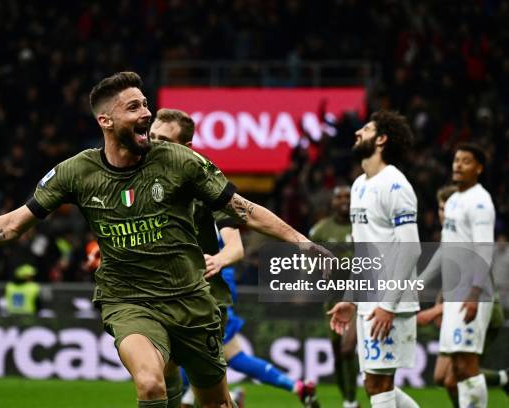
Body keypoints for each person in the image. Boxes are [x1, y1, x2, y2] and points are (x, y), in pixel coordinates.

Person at [0, 72, 329, 408]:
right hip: (128, 300)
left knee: (215, 403)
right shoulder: (77, 171)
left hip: (191, 301)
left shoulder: (181, 162)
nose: (146, 112)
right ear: (105, 121)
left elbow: (243, 209)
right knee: (149, 385)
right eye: (134, 107)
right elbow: (15, 222)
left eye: (146, 104)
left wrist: (300, 241)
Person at [150, 108, 318, 407]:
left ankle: (280, 389)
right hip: (163, 289)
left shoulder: (204, 184)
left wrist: (220, 259)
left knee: (197, 372)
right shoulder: (141, 178)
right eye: (151, 137)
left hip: (206, 289)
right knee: (166, 375)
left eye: (163, 140)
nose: (153, 144)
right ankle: (290, 388)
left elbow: (236, 244)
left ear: (185, 148)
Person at [328, 110, 421, 408]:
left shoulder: (396, 185)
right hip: (369, 299)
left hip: (390, 300)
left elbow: (411, 249)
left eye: (365, 129)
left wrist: (387, 305)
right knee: (373, 384)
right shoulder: (358, 185)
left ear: (381, 139)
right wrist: (351, 298)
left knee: (379, 384)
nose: (357, 133)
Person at [417, 184, 508, 407]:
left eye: (447, 208)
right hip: (456, 311)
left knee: (456, 376)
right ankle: (503, 379)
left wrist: (436, 310)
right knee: (442, 377)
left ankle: (505, 378)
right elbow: (435, 270)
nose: (443, 213)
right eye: (439, 208)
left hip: (483, 311)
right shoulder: (448, 239)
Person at [433, 144, 497, 408]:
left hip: (472, 293)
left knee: (467, 362)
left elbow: (485, 249)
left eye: (466, 161)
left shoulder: (480, 202)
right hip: (454, 294)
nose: (458, 165)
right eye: (456, 160)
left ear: (479, 168)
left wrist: (474, 294)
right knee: (456, 368)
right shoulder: (455, 200)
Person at [309, 185, 359, 408]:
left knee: (349, 349)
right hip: (332, 296)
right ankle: (348, 399)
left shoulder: (362, 226)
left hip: (359, 295)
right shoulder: (320, 230)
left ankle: (352, 399)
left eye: (347, 196)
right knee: (338, 352)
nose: (343, 200)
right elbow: (309, 262)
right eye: (339, 197)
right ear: (332, 202)